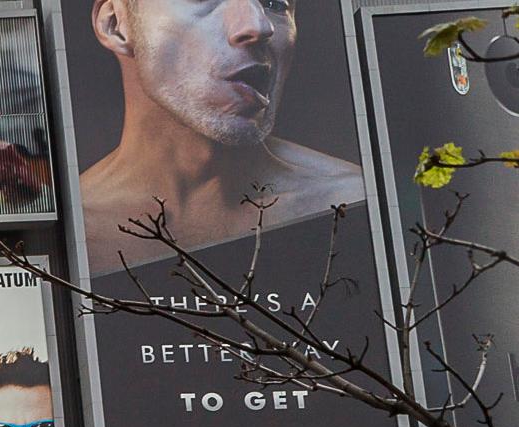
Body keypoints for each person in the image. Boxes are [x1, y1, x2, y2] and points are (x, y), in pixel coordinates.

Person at [76, 0, 363, 269]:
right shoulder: (74, 232)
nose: (259, 26)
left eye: (274, 3)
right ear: (115, 24)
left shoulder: (354, 204)